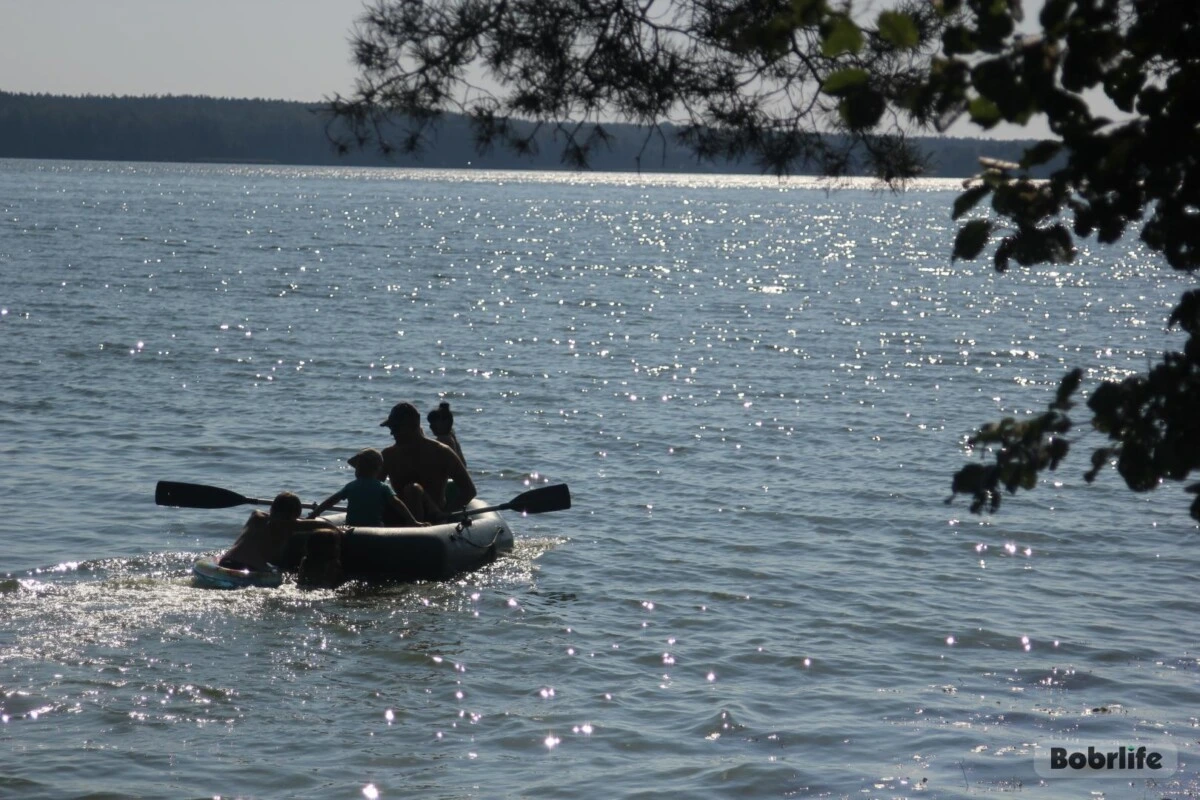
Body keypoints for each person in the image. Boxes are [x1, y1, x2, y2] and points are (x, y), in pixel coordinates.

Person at [379, 401, 477, 523]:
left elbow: (468, 490)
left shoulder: (441, 452)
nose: (392, 433)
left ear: (413, 426)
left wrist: (446, 513)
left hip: (434, 518)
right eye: (391, 428)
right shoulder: (388, 455)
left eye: (396, 428)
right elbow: (374, 488)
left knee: (413, 489)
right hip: (401, 517)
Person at [218, 491, 339, 572]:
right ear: (296, 514)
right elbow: (323, 525)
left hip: (225, 562)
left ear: (272, 508)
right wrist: (340, 531)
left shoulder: (256, 516)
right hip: (250, 568)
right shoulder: (292, 525)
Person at [307, 447, 425, 527]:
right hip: (374, 528)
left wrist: (314, 514)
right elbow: (397, 503)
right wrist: (412, 521)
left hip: (352, 527)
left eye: (358, 466)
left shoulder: (351, 486)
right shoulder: (382, 487)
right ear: (378, 469)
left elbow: (330, 501)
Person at [427, 401, 466, 466]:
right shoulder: (451, 436)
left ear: (446, 423)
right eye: (430, 424)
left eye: (434, 424)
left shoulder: (444, 440)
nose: (431, 427)